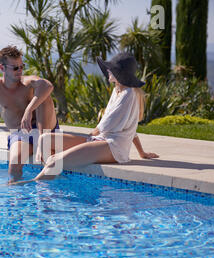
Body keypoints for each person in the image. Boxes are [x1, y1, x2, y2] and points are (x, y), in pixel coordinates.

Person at [28, 52, 159, 182]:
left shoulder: (128, 94)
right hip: (99, 140)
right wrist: (142, 152)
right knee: (45, 139)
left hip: (113, 148)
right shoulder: (118, 90)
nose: (108, 71)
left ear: (119, 73)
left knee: (54, 161)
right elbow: (130, 126)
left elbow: (108, 124)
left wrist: (89, 138)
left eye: (111, 69)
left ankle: (35, 187)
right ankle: (54, 183)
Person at [0, 46, 60, 182]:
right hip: (21, 134)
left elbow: (48, 85)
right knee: (14, 166)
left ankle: (42, 141)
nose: (20, 71)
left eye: (22, 66)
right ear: (2, 68)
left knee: (43, 95)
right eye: (15, 68)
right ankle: (18, 199)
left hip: (45, 130)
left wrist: (28, 110)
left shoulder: (27, 82)